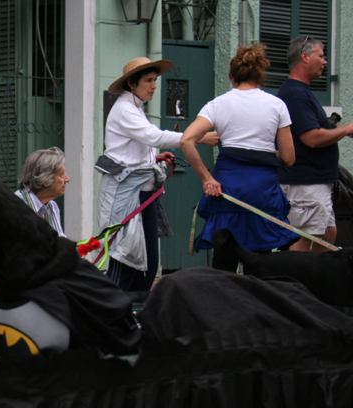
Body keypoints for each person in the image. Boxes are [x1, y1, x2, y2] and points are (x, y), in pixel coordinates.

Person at [99, 57, 218, 291]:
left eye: (155, 80)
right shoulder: (124, 108)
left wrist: (155, 158)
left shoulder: (135, 108)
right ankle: (108, 310)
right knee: (124, 259)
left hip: (143, 194)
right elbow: (154, 136)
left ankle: (138, 310)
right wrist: (198, 137)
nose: (154, 86)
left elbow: (133, 148)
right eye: (148, 80)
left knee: (148, 263)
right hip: (125, 195)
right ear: (131, 83)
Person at [181, 44, 296, 264]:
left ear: (232, 77)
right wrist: (268, 154)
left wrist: (206, 178)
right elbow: (289, 158)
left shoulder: (217, 104)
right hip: (262, 191)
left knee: (224, 262)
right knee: (260, 263)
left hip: (227, 189)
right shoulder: (277, 106)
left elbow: (186, 140)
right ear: (260, 76)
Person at [277, 36, 353, 252]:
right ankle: (288, 273)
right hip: (305, 184)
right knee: (307, 239)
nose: (325, 62)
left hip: (314, 183)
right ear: (304, 57)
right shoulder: (295, 94)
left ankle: (312, 275)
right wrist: (346, 129)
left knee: (327, 234)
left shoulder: (301, 91)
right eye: (321, 56)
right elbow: (311, 138)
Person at [15, 147, 68, 238]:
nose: (67, 179)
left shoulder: (51, 206)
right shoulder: (17, 205)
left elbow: (59, 241)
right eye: (62, 174)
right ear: (44, 179)